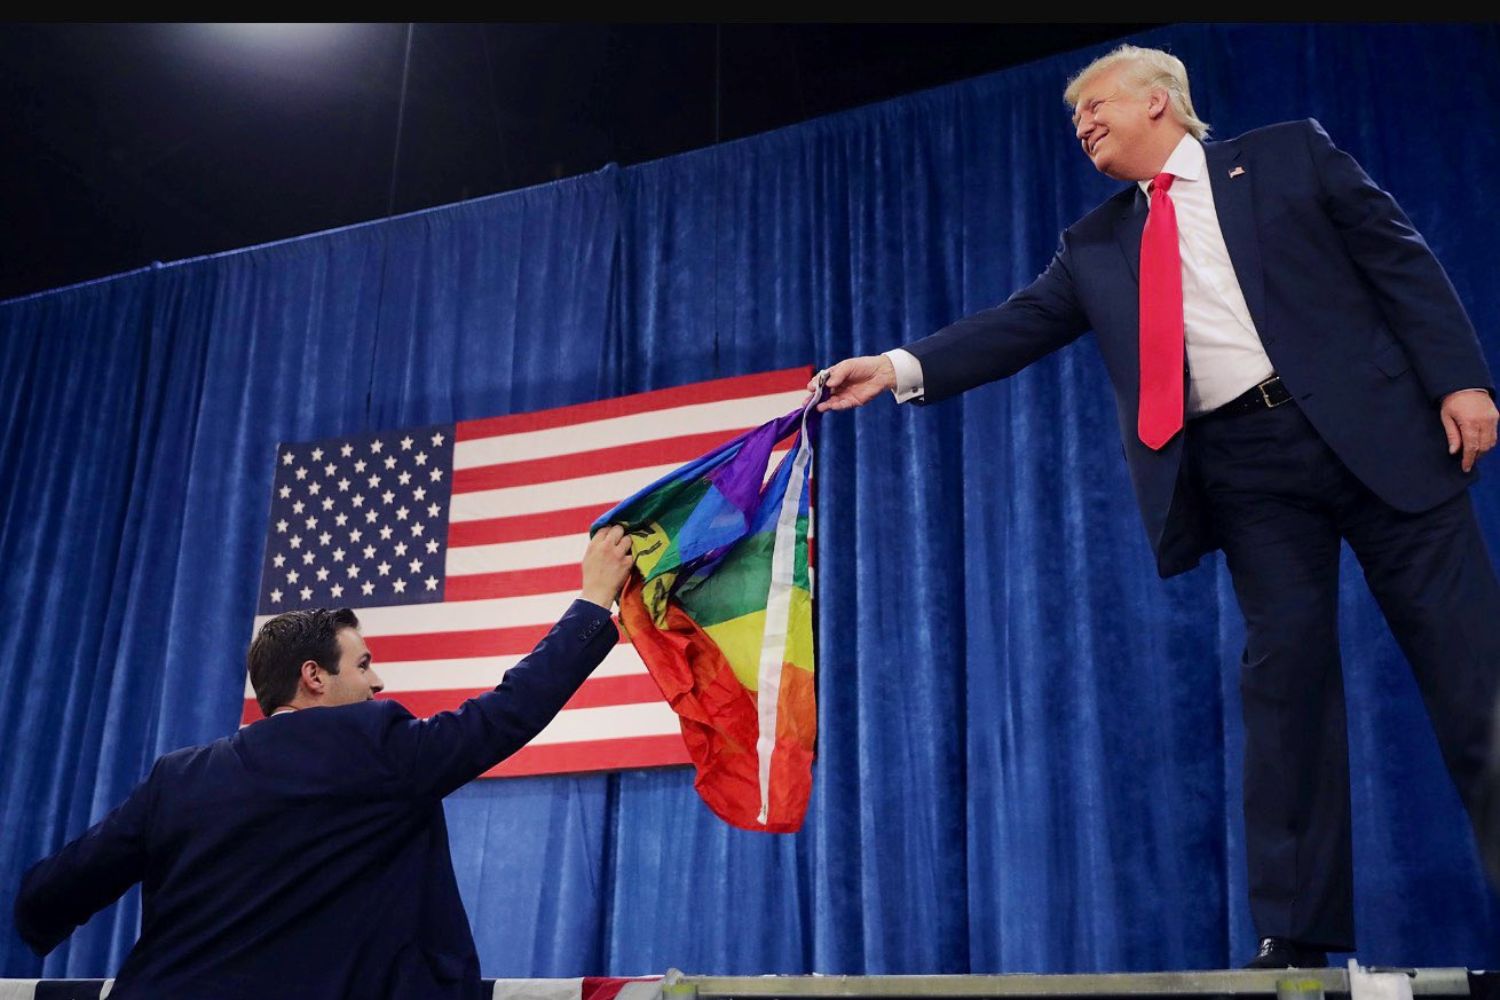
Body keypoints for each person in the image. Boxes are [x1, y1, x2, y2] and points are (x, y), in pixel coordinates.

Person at [814, 44, 1499, 968]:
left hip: (1378, 432)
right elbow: (1016, 325)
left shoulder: (1287, 155)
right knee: (1284, 687)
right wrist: (897, 367)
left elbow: (1399, 262)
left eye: (1095, 104)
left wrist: (1460, 381)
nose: (1082, 124)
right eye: (1075, 117)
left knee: (1472, 671)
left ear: (1158, 101)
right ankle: (1296, 935)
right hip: (1248, 471)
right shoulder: (1096, 245)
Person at [13, 525, 636, 999]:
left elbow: (47, 896)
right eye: (362, 664)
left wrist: (38, 922)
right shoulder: (374, 746)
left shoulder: (175, 778)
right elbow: (504, 713)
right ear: (313, 677)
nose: (378, 682)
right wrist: (593, 601)